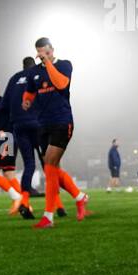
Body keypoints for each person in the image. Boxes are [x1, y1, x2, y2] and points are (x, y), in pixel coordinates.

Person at [22, 38, 89, 227]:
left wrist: (48, 63)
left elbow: (60, 84)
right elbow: (29, 92)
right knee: (52, 168)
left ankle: (48, 216)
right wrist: (26, 100)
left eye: (47, 52)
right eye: (41, 53)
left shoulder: (65, 65)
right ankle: (80, 196)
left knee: (50, 163)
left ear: (52, 50)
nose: (44, 56)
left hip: (62, 121)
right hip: (42, 124)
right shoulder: (35, 72)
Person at [0, 77, 31, 218]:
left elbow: (11, 119)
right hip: (6, 141)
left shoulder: (2, 103)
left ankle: (17, 198)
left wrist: (6, 131)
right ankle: (26, 205)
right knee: (9, 175)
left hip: (8, 141)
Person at [4, 57, 42, 196]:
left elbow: (5, 103)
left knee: (29, 162)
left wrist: (10, 124)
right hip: (37, 124)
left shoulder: (14, 78)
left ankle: (26, 191)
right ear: (34, 65)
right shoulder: (37, 75)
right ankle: (53, 191)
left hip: (18, 125)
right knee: (46, 160)